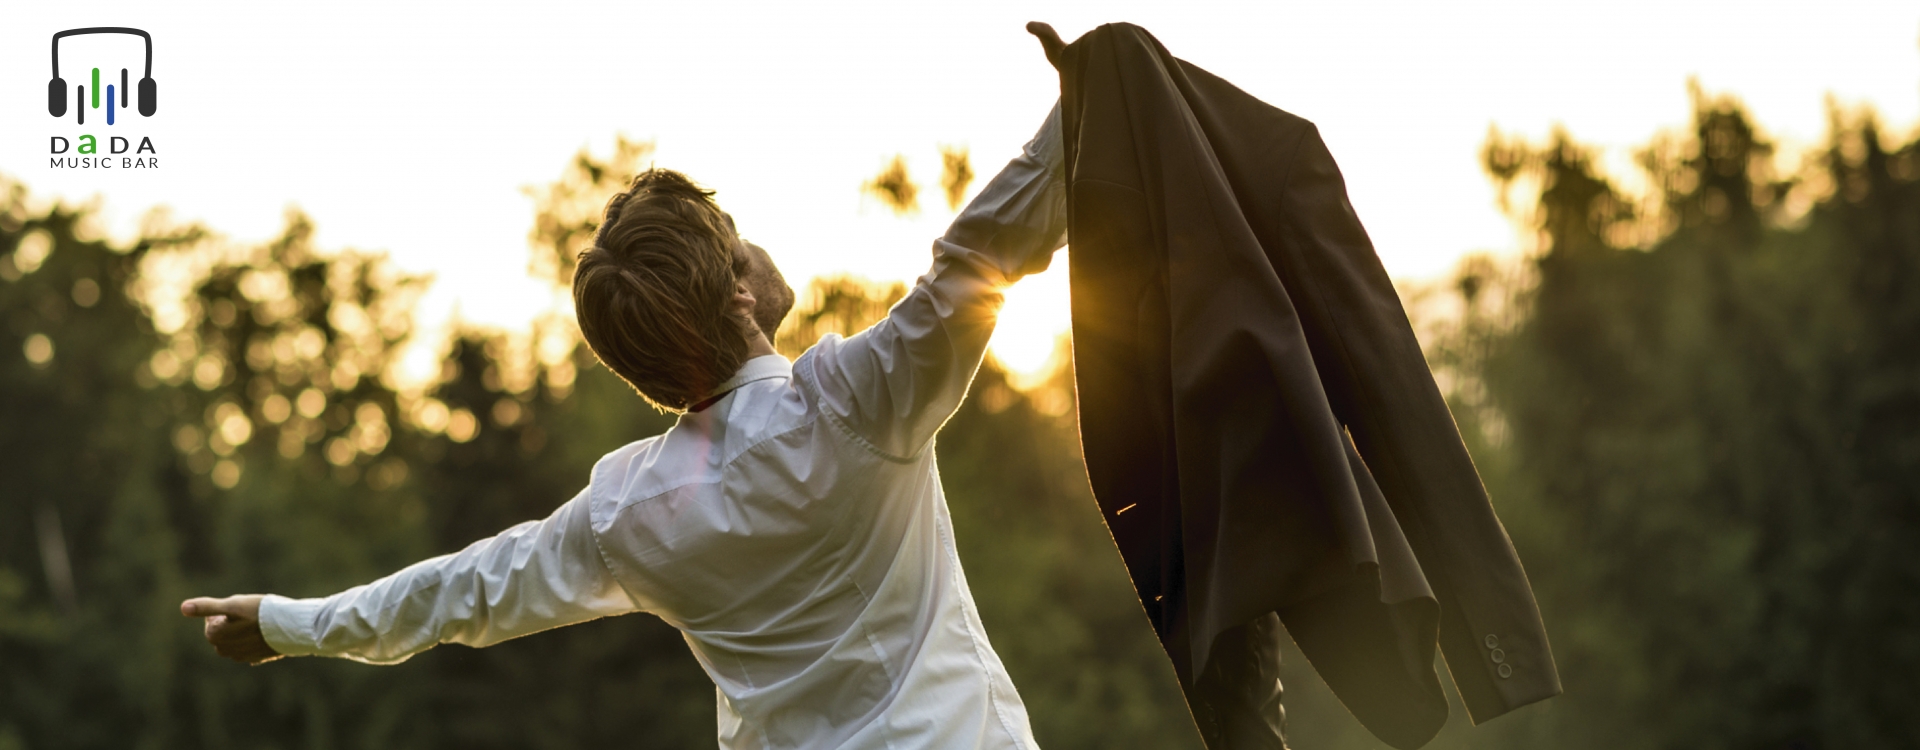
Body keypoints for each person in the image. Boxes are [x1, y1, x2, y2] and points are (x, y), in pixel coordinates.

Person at [180, 100, 1069, 750]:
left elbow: (457, 594)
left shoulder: (629, 514)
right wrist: (1092, 107)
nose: (757, 245)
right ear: (741, 291)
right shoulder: (853, 401)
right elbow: (975, 259)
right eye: (738, 237)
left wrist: (290, 623)